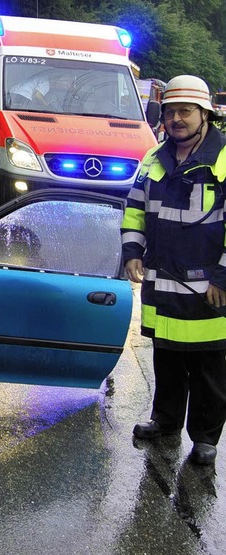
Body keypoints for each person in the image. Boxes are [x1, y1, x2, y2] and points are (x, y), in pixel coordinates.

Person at [121, 74, 226, 466]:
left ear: (205, 115)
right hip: (162, 282)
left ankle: (204, 438)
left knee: (208, 366)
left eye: (185, 111)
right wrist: (133, 249)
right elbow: (134, 206)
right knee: (166, 359)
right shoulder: (154, 157)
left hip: (208, 287)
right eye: (170, 112)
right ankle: (165, 421)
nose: (176, 119)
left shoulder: (223, 159)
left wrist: (223, 277)